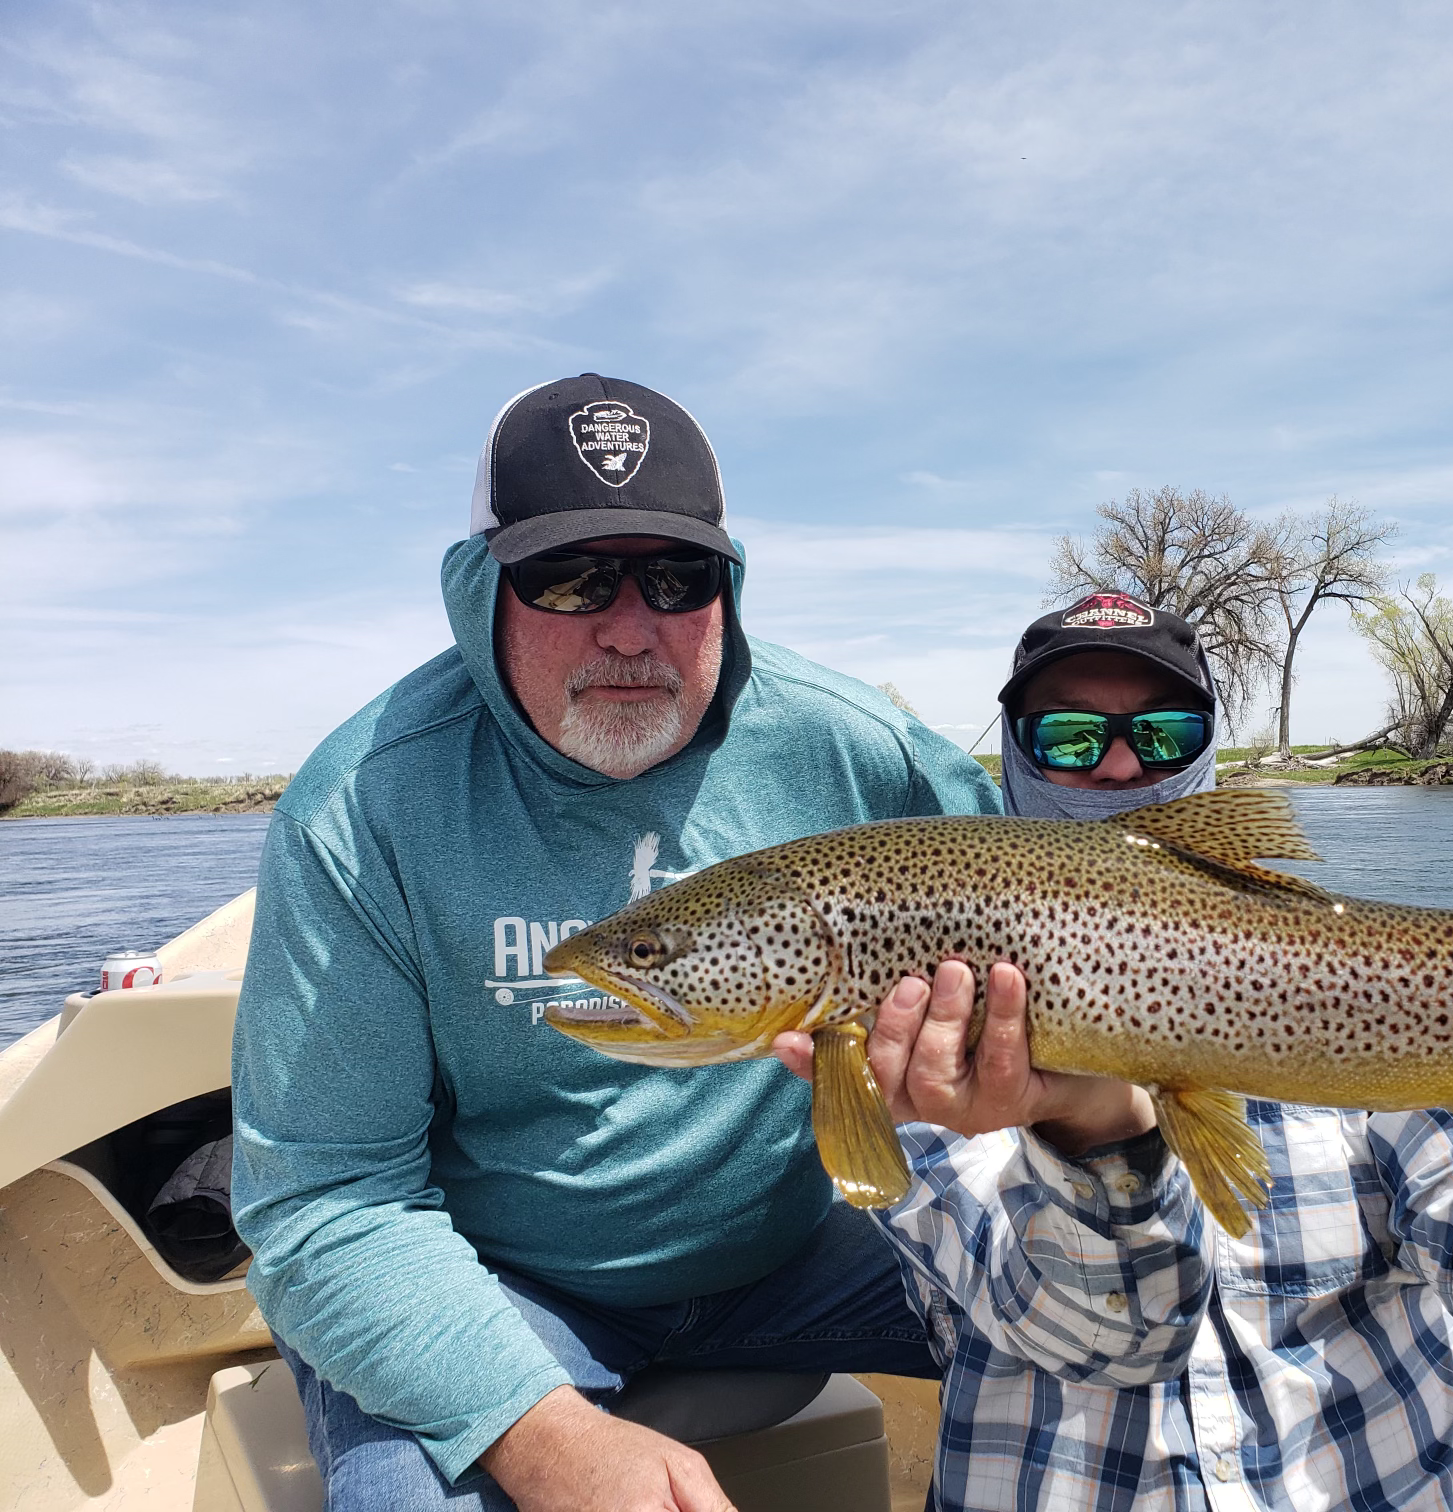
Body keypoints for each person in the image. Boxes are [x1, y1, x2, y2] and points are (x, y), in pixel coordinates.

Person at [776, 591, 1453, 1512]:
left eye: (1163, 735)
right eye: (1071, 736)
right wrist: (1092, 1126)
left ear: (1210, 754)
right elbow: (1111, 1341)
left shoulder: (1348, 976)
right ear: (1017, 757)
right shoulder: (925, 1037)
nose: (1121, 766)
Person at [231, 375, 1002, 1511]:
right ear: (479, 588)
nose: (631, 628)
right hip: (508, 1286)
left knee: (1124, 1316)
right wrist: (546, 1443)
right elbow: (325, 1198)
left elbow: (1057, 912)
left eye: (677, 577)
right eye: (573, 576)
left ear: (727, 590)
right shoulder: (363, 808)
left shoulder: (861, 753)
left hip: (810, 1251)